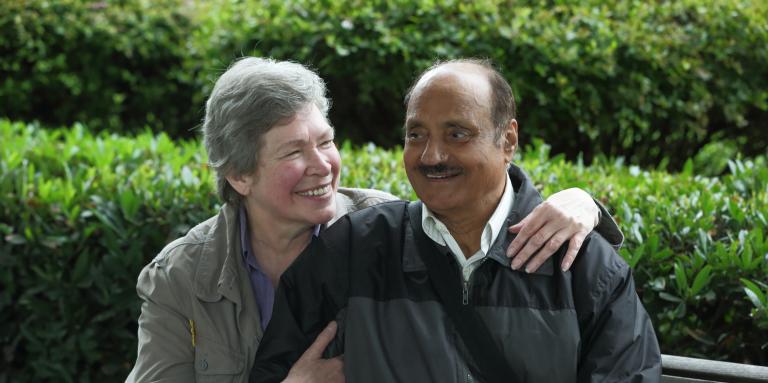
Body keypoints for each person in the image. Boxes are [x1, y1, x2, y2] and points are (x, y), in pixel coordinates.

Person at [126, 57, 624, 383]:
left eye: (325, 141)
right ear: (239, 175)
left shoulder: (383, 230)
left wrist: (584, 204)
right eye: (294, 152)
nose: (322, 165)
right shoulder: (182, 277)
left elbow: (480, 193)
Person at [250, 59, 661, 382]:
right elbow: (274, 370)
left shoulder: (585, 267)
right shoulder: (355, 248)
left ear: (508, 140)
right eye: (416, 135)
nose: (431, 156)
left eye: (456, 134)